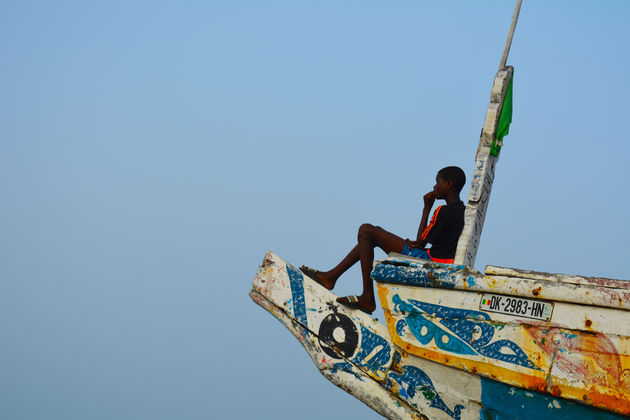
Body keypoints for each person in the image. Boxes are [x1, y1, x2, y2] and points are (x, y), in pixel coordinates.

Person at [300, 166, 466, 315]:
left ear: (449, 184)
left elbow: (421, 241)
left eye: (437, 182)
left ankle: (367, 296)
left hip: (428, 261)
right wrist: (417, 244)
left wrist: (426, 208)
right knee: (367, 239)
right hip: (441, 261)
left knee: (366, 230)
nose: (434, 187)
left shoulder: (443, 210)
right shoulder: (461, 211)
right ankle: (331, 277)